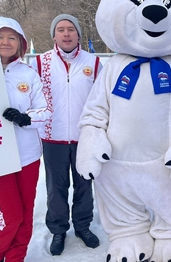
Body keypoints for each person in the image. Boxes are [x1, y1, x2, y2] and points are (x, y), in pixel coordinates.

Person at [0, 16, 52, 262]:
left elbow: (46, 110)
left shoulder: (28, 73)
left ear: (20, 43)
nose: (5, 42)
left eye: (12, 37)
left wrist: (26, 118)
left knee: (25, 214)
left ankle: (15, 258)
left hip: (27, 155)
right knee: (10, 216)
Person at [30, 14, 102, 256]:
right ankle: (58, 229)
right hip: (53, 137)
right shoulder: (40, 63)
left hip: (84, 137)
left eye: (71, 29)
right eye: (61, 29)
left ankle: (82, 226)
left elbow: (104, 99)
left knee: (84, 184)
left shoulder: (94, 62)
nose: (66, 33)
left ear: (78, 34)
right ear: (54, 35)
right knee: (56, 187)